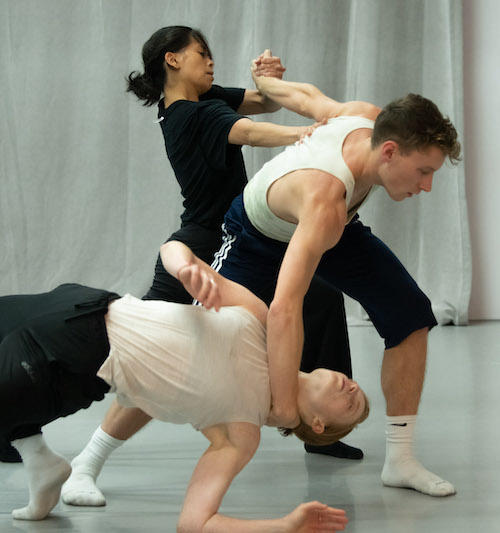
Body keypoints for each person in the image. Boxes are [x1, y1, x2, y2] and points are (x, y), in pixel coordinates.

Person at [59, 26, 360, 508]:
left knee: (320, 298)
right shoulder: (186, 114)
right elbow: (249, 129)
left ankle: (320, 425)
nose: (212, 61)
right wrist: (303, 133)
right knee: (130, 361)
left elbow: (263, 105)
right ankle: (80, 460)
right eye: (202, 54)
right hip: (203, 247)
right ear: (172, 60)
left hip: (243, 237)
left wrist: (268, 79)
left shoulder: (206, 98)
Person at [211, 64, 461, 497]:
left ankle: (400, 461)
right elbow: (286, 308)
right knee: (199, 339)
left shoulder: (368, 118)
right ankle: (94, 455)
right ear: (389, 151)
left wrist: (265, 78)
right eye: (423, 171)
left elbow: (306, 97)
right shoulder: (324, 198)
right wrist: (286, 404)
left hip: (334, 227)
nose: (428, 185)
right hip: (256, 238)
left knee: (410, 314)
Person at [0, 240, 367, 531]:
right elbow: (172, 248)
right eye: (355, 385)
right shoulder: (263, 323)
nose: (351, 387)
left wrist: (283, 526)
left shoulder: (241, 433)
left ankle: (36, 455)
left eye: (352, 404)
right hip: (87, 302)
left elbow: (195, 523)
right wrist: (186, 268)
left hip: (73, 358)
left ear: (319, 427)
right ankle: (39, 459)